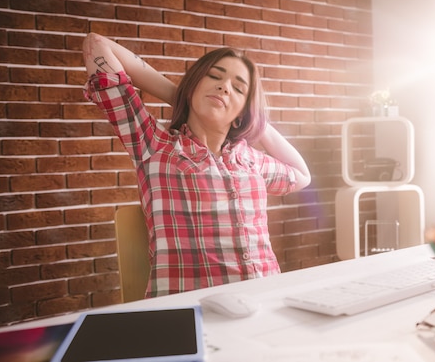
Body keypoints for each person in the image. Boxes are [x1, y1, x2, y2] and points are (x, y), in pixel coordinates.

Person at [82, 33, 311, 297]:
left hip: (267, 301)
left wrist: (255, 121)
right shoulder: (154, 144)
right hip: (192, 312)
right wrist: (180, 95)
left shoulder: (251, 161)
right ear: (193, 86)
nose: (225, 87)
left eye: (239, 88)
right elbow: (96, 44)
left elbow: (302, 175)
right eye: (214, 76)